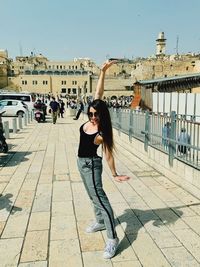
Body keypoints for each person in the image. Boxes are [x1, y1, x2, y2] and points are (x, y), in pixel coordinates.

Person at [77, 60, 130, 259]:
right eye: (90, 113)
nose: (92, 116)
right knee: (92, 197)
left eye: (96, 114)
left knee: (101, 199)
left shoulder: (102, 131)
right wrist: (102, 72)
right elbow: (97, 95)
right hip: (80, 163)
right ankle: (100, 221)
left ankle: (112, 238)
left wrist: (114, 173)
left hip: (91, 165)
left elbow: (107, 153)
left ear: (102, 114)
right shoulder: (92, 112)